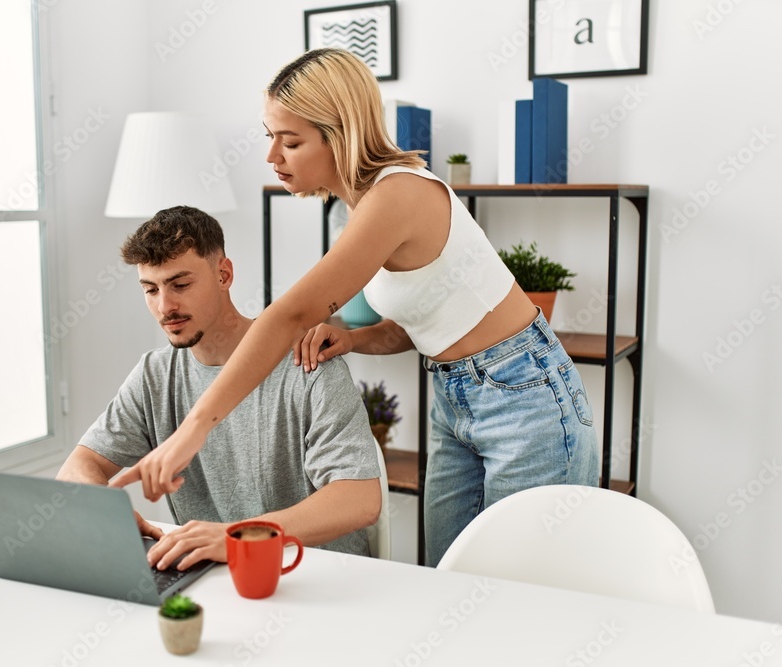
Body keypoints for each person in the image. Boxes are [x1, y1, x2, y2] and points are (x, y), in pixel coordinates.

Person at [112, 48, 599, 567]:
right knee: (452, 577)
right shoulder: (362, 208)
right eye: (269, 135)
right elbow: (425, 324)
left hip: (524, 394)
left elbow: (291, 315)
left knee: (520, 588)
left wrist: (193, 430)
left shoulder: (399, 195)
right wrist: (356, 338)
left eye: (291, 140)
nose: (272, 155)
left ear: (338, 134)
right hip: (455, 396)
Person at [59, 205, 382, 569]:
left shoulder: (306, 363)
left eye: (180, 285)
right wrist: (104, 510)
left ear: (224, 274)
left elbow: (360, 500)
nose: (165, 306)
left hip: (316, 578)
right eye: (151, 289)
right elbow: (78, 465)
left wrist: (239, 537)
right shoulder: (155, 375)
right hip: (215, 580)